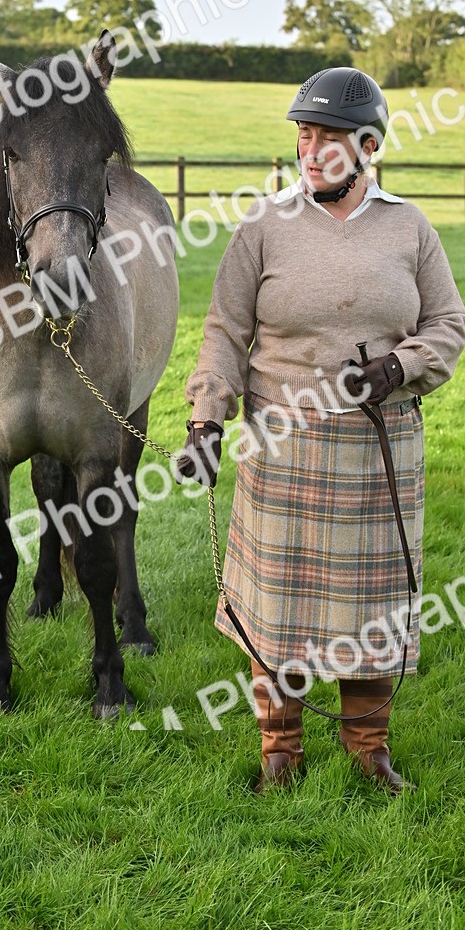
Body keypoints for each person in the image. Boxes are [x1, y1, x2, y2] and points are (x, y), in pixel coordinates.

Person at [177, 67, 465, 794]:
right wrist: (206, 417)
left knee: (371, 607)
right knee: (279, 607)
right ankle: (281, 750)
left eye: (327, 137)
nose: (310, 149)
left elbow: (449, 325)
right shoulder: (263, 227)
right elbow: (224, 332)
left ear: (367, 146)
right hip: (283, 446)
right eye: (304, 135)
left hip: (379, 449)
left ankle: (369, 750)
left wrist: (399, 369)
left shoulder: (411, 227)